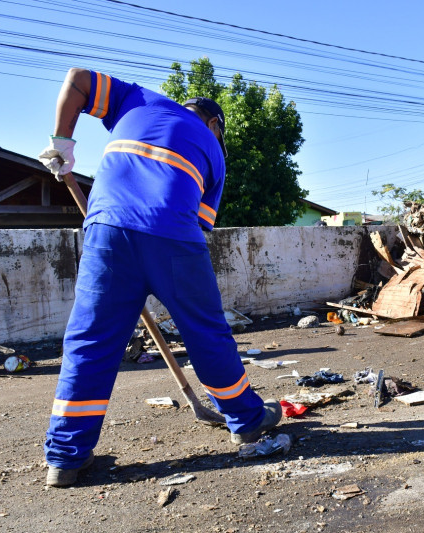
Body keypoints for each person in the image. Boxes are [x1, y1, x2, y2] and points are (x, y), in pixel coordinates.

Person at [38, 68, 281, 488]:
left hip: (107, 232)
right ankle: (246, 421)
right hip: (173, 237)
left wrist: (62, 142)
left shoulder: (138, 101)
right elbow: (199, 222)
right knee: (206, 332)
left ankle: (65, 458)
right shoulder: (213, 151)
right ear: (214, 124)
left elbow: (77, 79)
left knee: (90, 342)